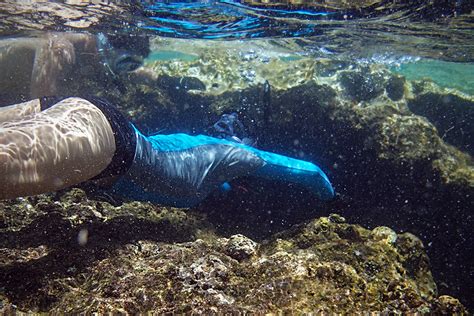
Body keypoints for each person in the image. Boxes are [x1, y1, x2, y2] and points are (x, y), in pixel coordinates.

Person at [0, 96, 335, 207]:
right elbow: (309, 172)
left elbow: (210, 187)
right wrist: (330, 198)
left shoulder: (195, 148)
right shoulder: (235, 154)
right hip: (103, 138)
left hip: (86, 120)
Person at [0, 32, 148, 105]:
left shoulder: (87, 57)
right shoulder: (61, 50)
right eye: (122, 63)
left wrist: (155, 78)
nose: (117, 74)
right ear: (104, 47)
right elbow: (41, 110)